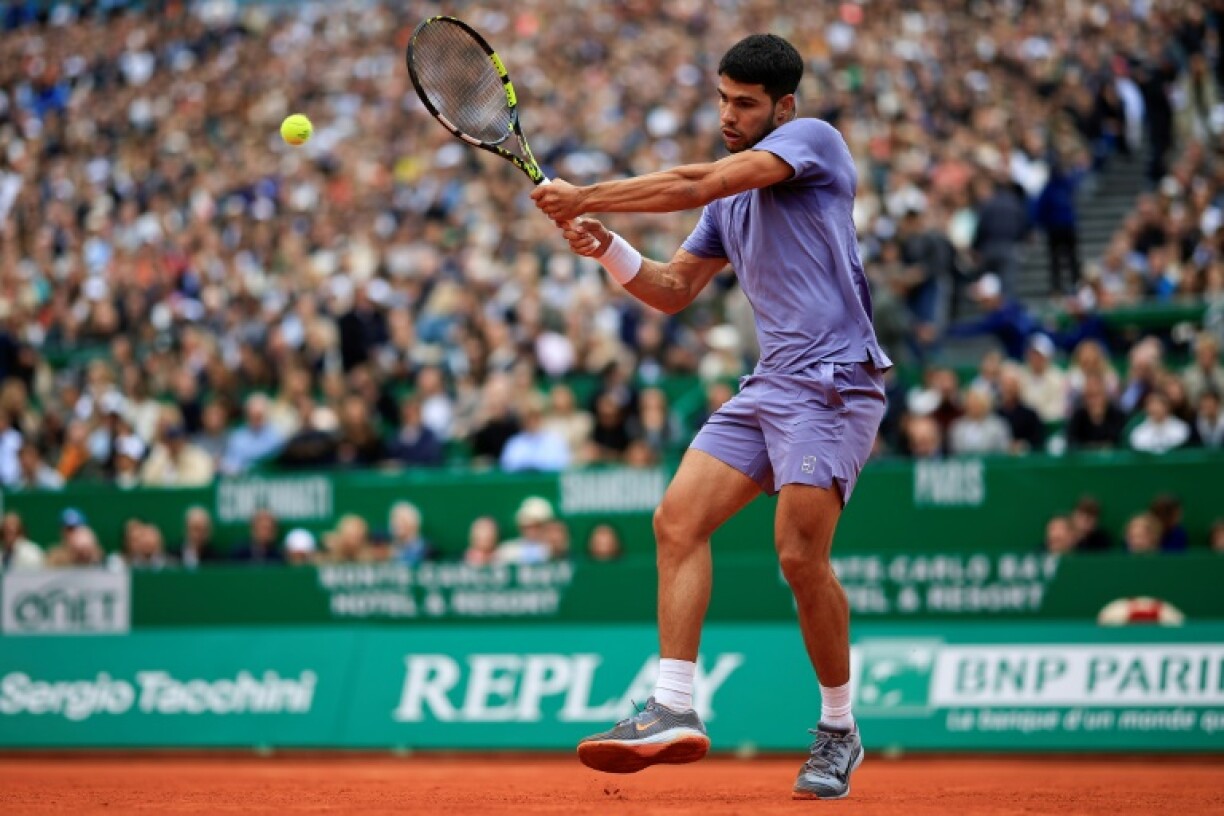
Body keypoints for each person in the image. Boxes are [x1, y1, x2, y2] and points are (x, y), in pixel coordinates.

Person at [531, 34, 888, 797]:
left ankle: (838, 730)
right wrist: (609, 249)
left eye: (745, 103)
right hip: (768, 385)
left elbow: (701, 179)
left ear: (783, 106)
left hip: (834, 383)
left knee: (798, 556)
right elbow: (671, 287)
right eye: (723, 98)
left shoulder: (813, 143)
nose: (728, 114)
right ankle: (675, 706)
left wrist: (588, 193)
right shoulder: (729, 200)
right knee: (676, 522)